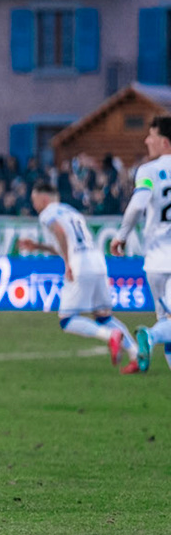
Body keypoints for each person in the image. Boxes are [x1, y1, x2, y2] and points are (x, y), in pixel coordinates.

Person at [16, 181, 137, 373]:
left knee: (67, 319)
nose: (33, 204)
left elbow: (60, 232)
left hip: (80, 265)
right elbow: (68, 240)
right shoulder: (70, 211)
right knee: (104, 316)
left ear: (44, 198)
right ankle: (136, 355)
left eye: (34, 199)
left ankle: (110, 336)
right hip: (98, 262)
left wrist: (67, 263)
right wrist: (38, 246)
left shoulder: (47, 213)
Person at [114, 116, 171, 371]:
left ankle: (154, 335)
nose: (147, 140)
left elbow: (137, 204)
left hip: (156, 262)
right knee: (164, 327)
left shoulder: (147, 171)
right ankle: (151, 336)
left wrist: (122, 235)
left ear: (165, 143)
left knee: (167, 320)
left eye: (152, 136)